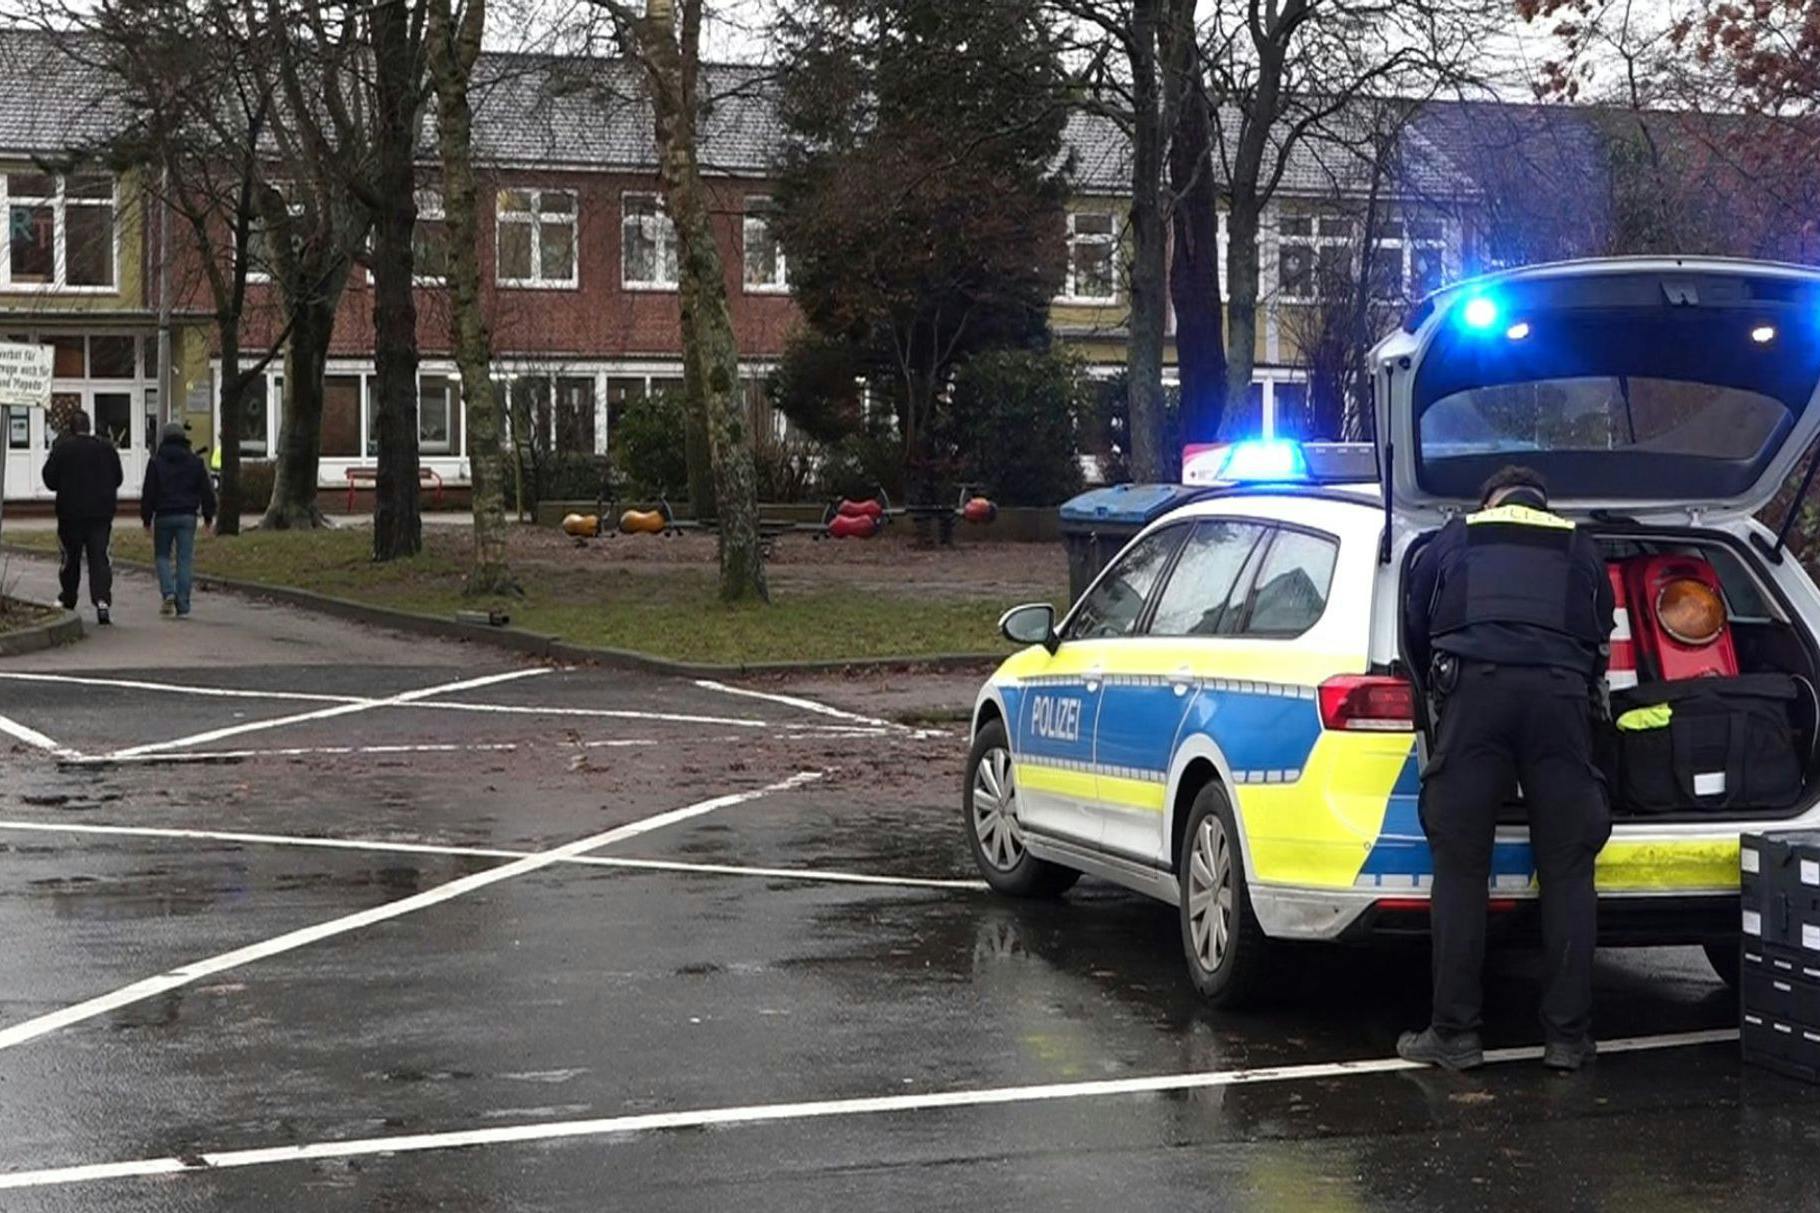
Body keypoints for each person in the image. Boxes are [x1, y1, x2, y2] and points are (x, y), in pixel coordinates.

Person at [1398, 466, 1615, 1073]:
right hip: (1560, 704)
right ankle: (1568, 1040)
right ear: (1543, 502)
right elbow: (1600, 640)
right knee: (1569, 869)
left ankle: (1455, 1035)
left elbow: (1417, 627)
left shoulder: (1456, 537)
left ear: (1490, 500)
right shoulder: (1579, 545)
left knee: (1462, 866)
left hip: (1475, 701)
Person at [41, 408, 122, 625]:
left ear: (71, 428)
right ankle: (102, 600)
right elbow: (118, 478)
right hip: (100, 514)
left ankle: (68, 598)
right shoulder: (106, 449)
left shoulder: (63, 449)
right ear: (89, 426)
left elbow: (49, 479)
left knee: (70, 558)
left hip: (70, 514)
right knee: (100, 558)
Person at [141, 422, 216, 618]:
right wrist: (208, 517)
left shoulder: (156, 462)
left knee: (162, 556)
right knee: (184, 559)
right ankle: (183, 603)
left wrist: (146, 520)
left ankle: (168, 592)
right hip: (187, 515)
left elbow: (148, 492)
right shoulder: (195, 462)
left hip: (164, 515)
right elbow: (206, 491)